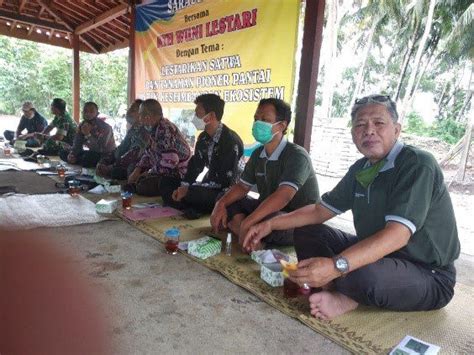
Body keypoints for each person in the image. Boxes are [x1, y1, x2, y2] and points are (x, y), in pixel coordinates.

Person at [244, 94, 460, 320]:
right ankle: (330, 287)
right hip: (380, 256)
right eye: (360, 125)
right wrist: (270, 224)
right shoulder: (361, 168)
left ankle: (346, 296)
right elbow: (319, 211)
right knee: (308, 231)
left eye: (378, 123)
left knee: (358, 272)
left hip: (428, 272)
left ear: (396, 130)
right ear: (353, 135)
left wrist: (336, 266)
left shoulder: (417, 164)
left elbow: (397, 235)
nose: (368, 130)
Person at [210, 98, 320, 249]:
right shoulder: (258, 154)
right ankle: (251, 235)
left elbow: (283, 196)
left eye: (265, 120)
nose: (257, 124)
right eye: (256, 119)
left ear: (281, 125)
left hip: (295, 217)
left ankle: (245, 230)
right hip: (268, 210)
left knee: (272, 221)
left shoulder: (297, 155)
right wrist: (220, 204)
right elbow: (242, 187)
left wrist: (249, 221)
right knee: (224, 195)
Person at [170, 94, 244, 216]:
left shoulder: (230, 141)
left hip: (227, 192)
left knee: (196, 194)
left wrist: (189, 190)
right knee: (170, 184)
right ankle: (190, 204)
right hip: (210, 185)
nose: (194, 117)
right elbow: (195, 166)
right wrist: (184, 186)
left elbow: (225, 183)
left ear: (211, 116)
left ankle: (192, 205)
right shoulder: (203, 138)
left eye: (198, 113)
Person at [127, 99, 191, 198]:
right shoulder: (153, 128)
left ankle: (136, 186)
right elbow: (148, 153)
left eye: (140, 115)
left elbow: (171, 161)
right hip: (161, 169)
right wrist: (138, 170)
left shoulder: (164, 129)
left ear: (147, 116)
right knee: (132, 170)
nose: (139, 119)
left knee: (144, 185)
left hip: (177, 173)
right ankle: (136, 185)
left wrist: (148, 173)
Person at [96, 99, 149, 180]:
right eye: (129, 109)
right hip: (124, 164)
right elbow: (120, 149)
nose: (129, 112)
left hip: (140, 168)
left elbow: (132, 155)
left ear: (141, 114)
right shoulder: (133, 129)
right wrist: (103, 162)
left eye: (133, 110)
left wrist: (110, 167)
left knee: (120, 171)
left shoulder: (145, 131)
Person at [62, 102, 116, 168]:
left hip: (105, 155)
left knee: (88, 157)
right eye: (85, 111)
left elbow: (100, 149)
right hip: (91, 152)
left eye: (91, 111)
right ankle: (75, 160)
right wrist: (72, 154)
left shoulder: (105, 127)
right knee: (63, 152)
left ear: (97, 113)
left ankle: (78, 161)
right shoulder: (82, 125)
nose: (88, 113)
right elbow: (77, 143)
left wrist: (88, 135)